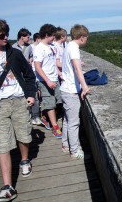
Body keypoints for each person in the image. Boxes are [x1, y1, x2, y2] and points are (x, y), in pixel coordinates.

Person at [0, 18, 36, 202]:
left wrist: (30, 94)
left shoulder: (14, 54)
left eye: (7, 33)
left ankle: (24, 160)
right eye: (2, 35)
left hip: (18, 100)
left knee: (24, 134)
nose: (6, 37)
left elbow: (29, 75)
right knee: (3, 144)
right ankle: (8, 186)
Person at [60, 24, 91, 159]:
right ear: (82, 37)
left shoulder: (68, 46)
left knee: (67, 120)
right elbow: (78, 69)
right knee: (73, 122)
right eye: (86, 37)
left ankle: (65, 145)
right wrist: (84, 86)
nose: (87, 39)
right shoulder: (73, 48)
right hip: (71, 91)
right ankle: (74, 151)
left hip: (65, 89)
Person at [33, 24, 62, 138]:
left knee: (58, 100)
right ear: (46, 35)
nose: (54, 38)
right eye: (52, 36)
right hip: (45, 81)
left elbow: (53, 62)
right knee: (50, 103)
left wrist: (59, 74)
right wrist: (47, 80)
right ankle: (55, 127)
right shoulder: (39, 49)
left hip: (54, 78)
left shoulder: (52, 46)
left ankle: (44, 116)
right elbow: (37, 67)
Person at [24, 33, 44, 126]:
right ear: (37, 39)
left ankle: (35, 116)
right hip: (29, 74)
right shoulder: (31, 47)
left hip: (35, 75)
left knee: (36, 96)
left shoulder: (34, 47)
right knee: (31, 95)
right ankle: (31, 116)